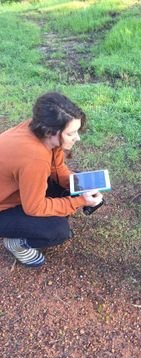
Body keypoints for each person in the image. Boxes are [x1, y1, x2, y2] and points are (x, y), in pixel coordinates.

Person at [0, 92, 103, 268]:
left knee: (76, 184)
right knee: (56, 230)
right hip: (3, 207)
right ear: (51, 132)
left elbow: (57, 168)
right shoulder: (35, 158)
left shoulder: (38, 130)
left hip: (15, 188)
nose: (77, 138)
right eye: (71, 133)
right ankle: (16, 243)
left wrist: (78, 186)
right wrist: (79, 200)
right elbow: (34, 207)